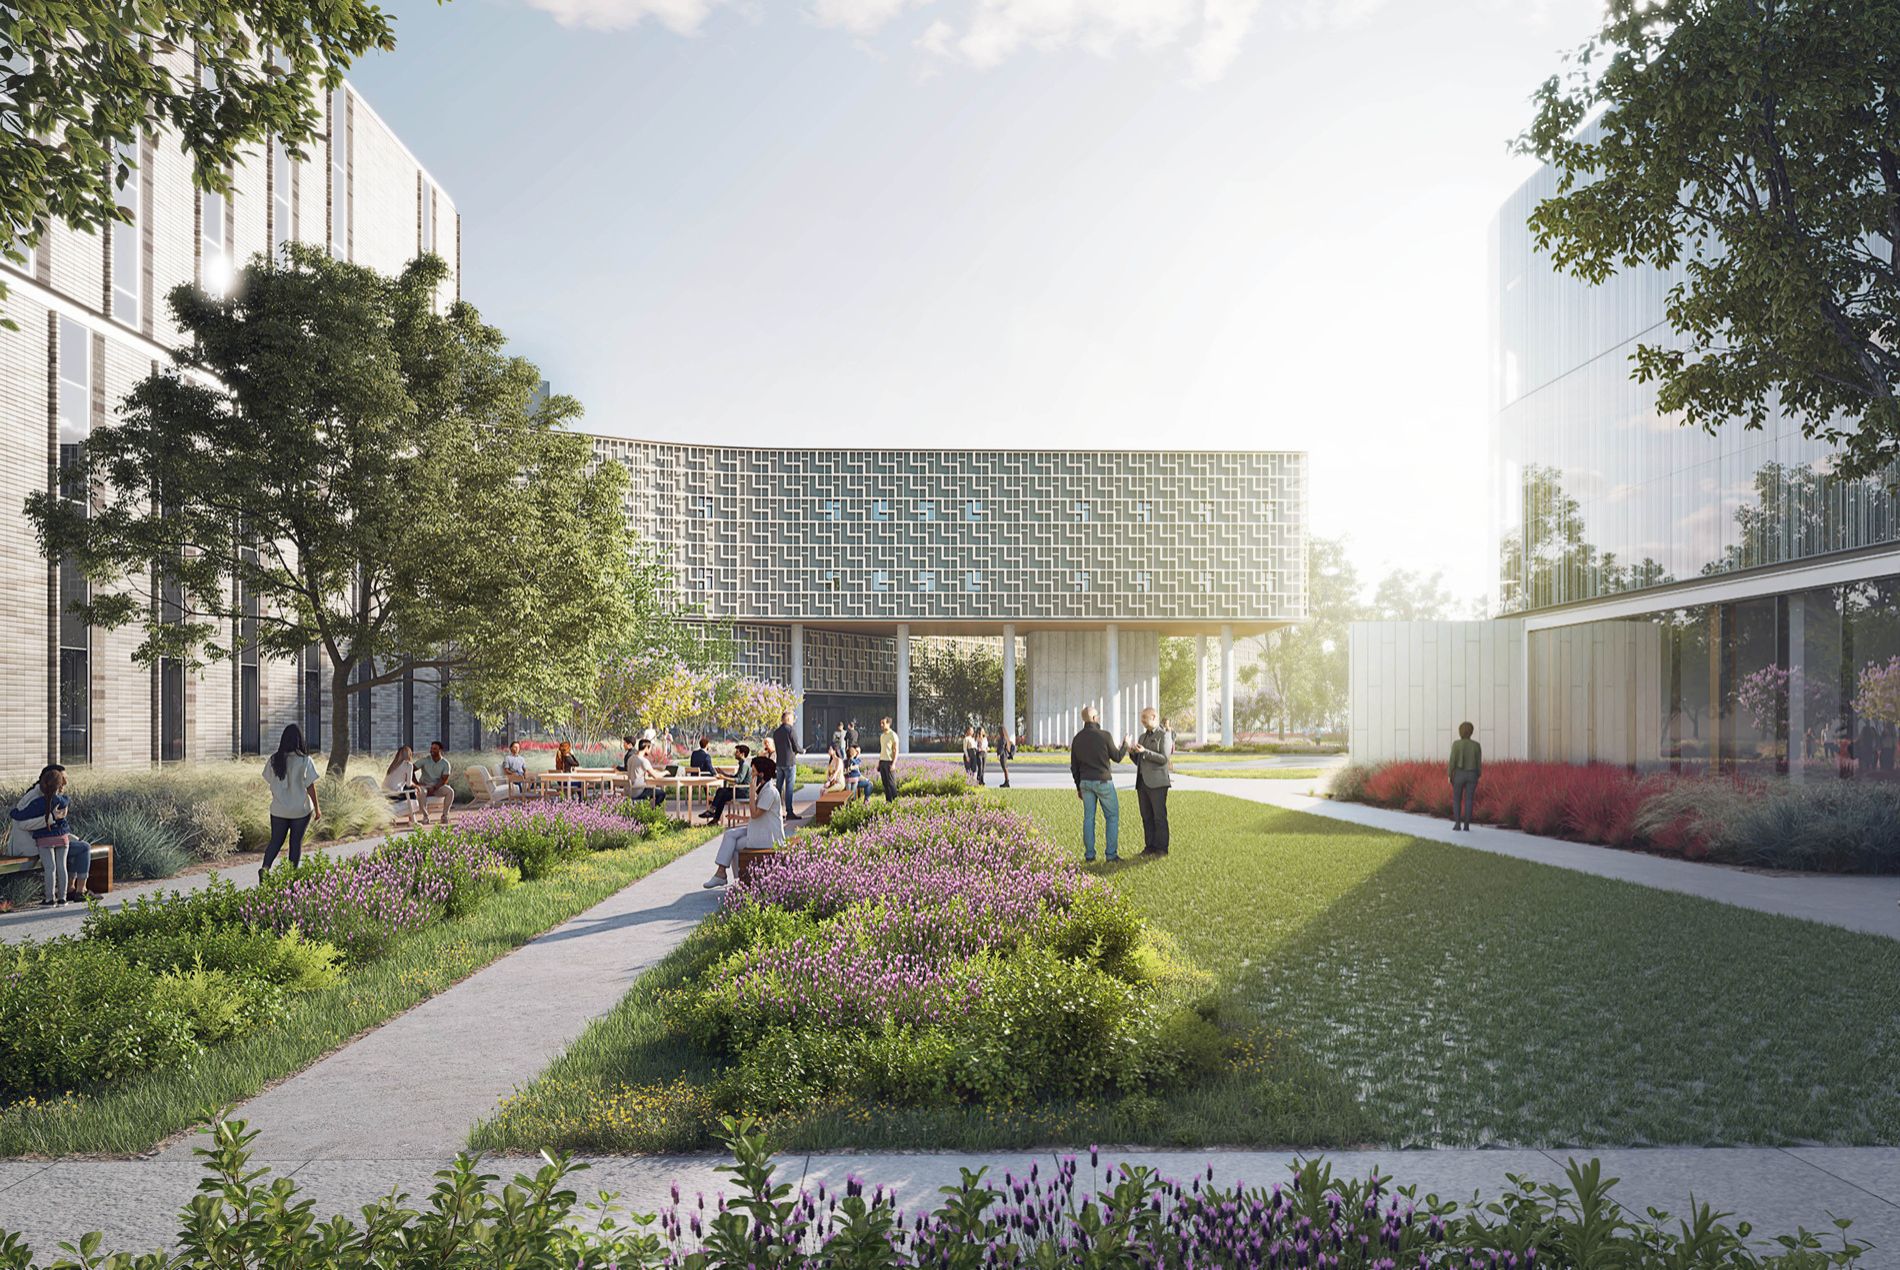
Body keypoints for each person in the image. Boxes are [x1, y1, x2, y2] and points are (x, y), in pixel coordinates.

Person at [8, 764, 93, 905]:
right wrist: (52, 818)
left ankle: (68, 892)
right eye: (63, 779)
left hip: (46, 841)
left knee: (78, 849)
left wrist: (71, 836)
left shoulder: (48, 797)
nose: (65, 783)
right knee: (82, 849)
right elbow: (22, 823)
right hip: (30, 845)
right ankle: (73, 892)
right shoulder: (34, 797)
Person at [702, 755, 787, 888]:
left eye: (753, 772)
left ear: (761, 774)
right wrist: (739, 818)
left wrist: (752, 793)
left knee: (734, 846)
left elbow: (755, 814)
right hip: (760, 830)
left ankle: (735, 880)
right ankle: (721, 873)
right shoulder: (764, 789)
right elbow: (760, 817)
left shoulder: (770, 791)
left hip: (768, 837)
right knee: (730, 834)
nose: (751, 776)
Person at [261, 724, 322, 877]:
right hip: (300, 810)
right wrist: (317, 808)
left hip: (279, 810)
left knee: (275, 841)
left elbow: (269, 780)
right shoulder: (305, 761)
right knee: (295, 844)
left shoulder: (274, 759)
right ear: (300, 740)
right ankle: (291, 878)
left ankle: (265, 868)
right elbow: (310, 786)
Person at [1069, 706, 1126, 862]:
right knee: (1112, 817)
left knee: (1088, 818)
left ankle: (1089, 855)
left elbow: (1074, 767)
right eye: (1097, 716)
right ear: (1094, 718)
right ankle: (1111, 855)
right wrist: (1125, 744)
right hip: (1103, 781)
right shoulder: (1105, 736)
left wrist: (1078, 786)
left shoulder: (1077, 739)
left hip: (1085, 783)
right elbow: (1118, 757)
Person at [1128, 707, 1173, 855]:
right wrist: (1132, 753)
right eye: (1142, 719)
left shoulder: (1164, 736)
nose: (1142, 722)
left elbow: (1164, 759)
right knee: (1146, 816)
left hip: (1158, 783)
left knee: (1159, 817)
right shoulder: (1142, 737)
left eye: (1145, 718)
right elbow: (1140, 761)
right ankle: (1149, 846)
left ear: (1153, 717)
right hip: (1142, 783)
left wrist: (1145, 752)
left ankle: (1161, 848)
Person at [702, 743, 752, 823]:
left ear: (742, 754)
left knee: (722, 792)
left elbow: (738, 780)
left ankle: (713, 813)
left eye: (737, 752)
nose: (735, 754)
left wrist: (723, 777)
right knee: (721, 793)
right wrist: (723, 773)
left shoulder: (745, 765)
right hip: (740, 789)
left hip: (743, 791)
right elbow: (735, 777)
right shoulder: (742, 764)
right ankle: (715, 818)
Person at [1448, 721, 1482, 830]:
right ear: (1471, 732)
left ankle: (1457, 824)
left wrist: (1449, 774)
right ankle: (1467, 825)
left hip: (1459, 774)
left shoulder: (1456, 744)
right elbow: (1478, 763)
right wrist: (1477, 775)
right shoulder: (1476, 745)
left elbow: (1452, 761)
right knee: (1469, 800)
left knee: (1457, 799)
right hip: (1472, 774)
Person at [772, 710, 801, 820]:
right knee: (789, 788)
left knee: (778, 787)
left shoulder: (776, 732)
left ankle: (775, 811)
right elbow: (795, 746)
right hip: (790, 763)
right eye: (792, 718)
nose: (793, 721)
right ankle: (789, 812)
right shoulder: (790, 730)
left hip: (779, 763)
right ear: (788, 719)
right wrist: (801, 751)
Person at [383, 746, 422, 824]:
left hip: (386, 794)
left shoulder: (393, 765)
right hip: (395, 795)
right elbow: (408, 784)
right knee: (412, 791)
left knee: (409, 791)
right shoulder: (408, 765)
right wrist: (417, 786)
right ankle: (413, 821)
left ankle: (412, 820)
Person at [416, 740, 454, 822]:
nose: (432, 750)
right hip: (424, 785)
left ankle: (445, 815)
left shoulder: (445, 763)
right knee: (421, 791)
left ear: (440, 750)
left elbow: (444, 779)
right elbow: (411, 769)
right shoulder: (425, 760)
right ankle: (425, 816)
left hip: (437, 786)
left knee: (450, 791)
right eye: (431, 748)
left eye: (435, 749)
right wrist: (416, 783)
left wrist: (434, 787)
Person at [627, 737, 667, 806]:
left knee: (652, 791)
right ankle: (652, 811)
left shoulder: (630, 758)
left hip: (630, 790)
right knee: (661, 793)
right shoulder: (644, 761)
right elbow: (656, 776)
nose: (650, 750)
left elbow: (637, 772)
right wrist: (666, 772)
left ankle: (648, 808)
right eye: (650, 748)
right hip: (639, 790)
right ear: (646, 748)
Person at [877, 716, 898, 802]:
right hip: (882, 762)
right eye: (881, 723)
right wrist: (879, 763)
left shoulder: (893, 735)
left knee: (891, 783)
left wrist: (893, 763)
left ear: (888, 724)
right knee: (885, 784)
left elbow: (896, 750)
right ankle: (888, 801)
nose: (881, 725)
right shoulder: (882, 736)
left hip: (889, 762)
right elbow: (882, 750)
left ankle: (895, 801)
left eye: (883, 723)